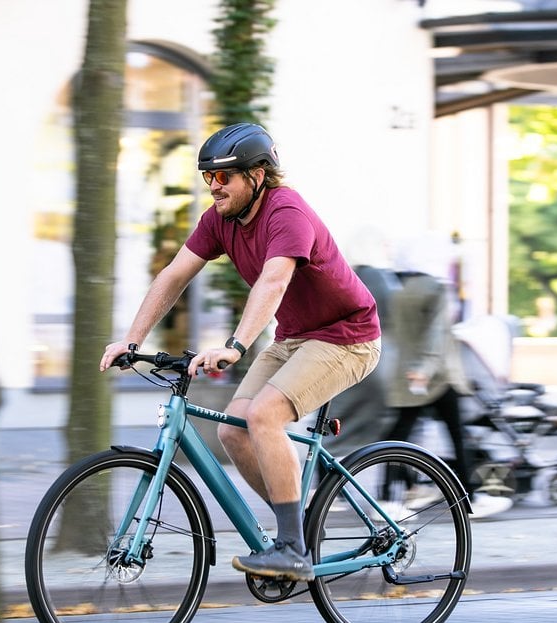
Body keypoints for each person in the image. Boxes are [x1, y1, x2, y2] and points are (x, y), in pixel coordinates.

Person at [100, 123, 381, 582]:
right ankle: (304, 520)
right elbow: (173, 275)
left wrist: (235, 346)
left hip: (347, 336)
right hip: (294, 337)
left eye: (224, 177)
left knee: (264, 415)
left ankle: (292, 548)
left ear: (257, 175)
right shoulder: (219, 220)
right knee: (234, 431)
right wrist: (132, 340)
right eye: (207, 177)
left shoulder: (286, 211)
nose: (213, 186)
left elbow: (274, 281)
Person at [383, 234, 511, 519]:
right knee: (457, 436)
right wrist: (425, 370)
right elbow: (436, 335)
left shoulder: (400, 290)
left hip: (406, 375)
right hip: (438, 376)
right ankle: (468, 500)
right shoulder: (436, 289)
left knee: (399, 436)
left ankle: (387, 498)